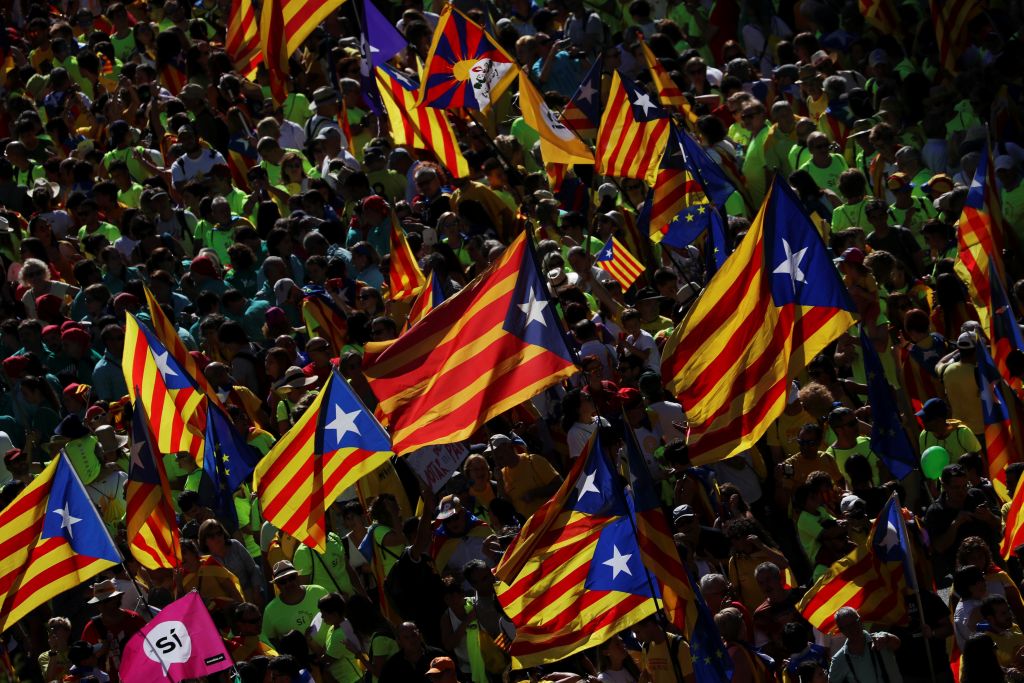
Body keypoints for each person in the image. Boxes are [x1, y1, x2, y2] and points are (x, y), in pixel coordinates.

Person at [828, 607, 903, 683]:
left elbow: (897, 644)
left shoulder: (881, 639)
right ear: (841, 630)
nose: (851, 629)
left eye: (853, 623)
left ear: (860, 621)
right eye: (846, 627)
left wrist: (887, 638)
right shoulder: (839, 659)